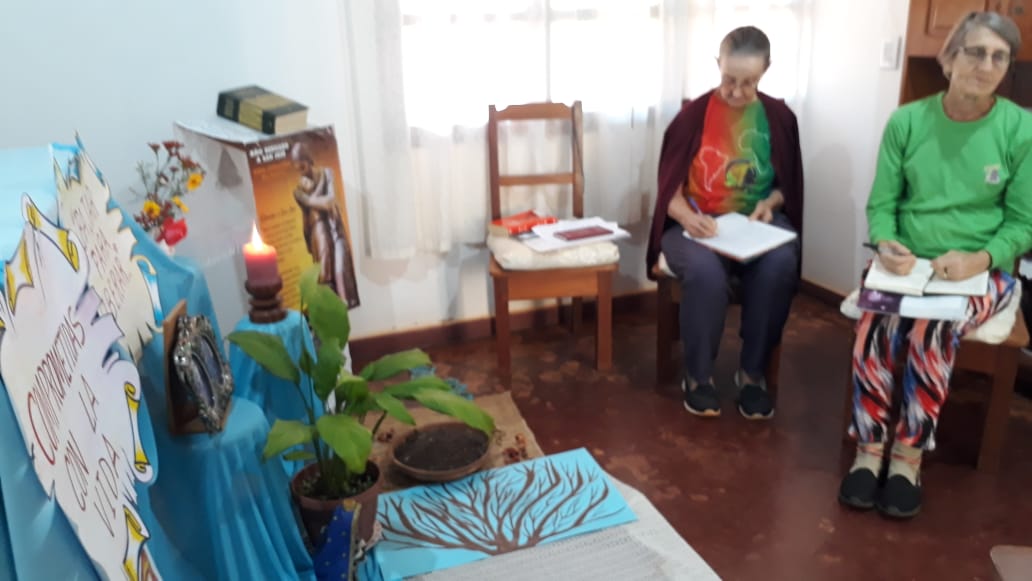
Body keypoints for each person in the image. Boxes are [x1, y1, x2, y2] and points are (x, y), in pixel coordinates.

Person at [839, 11, 1032, 519]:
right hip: (907, 266)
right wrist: (886, 243)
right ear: (949, 59)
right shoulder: (907, 121)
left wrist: (978, 259)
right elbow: (883, 204)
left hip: (983, 271)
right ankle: (868, 449)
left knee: (931, 329)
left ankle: (907, 457)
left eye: (999, 57)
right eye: (976, 52)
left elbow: (1023, 224)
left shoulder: (1021, 129)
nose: (986, 65)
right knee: (875, 322)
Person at [646, 26, 803, 420]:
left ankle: (751, 375)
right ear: (718, 65)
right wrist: (689, 217)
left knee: (781, 263)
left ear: (766, 70)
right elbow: (668, 192)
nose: (735, 91)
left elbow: (788, 186)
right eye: (729, 79)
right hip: (697, 222)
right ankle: (698, 377)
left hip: (755, 221)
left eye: (748, 82)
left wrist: (770, 202)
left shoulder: (779, 117)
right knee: (705, 273)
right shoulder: (692, 117)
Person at [290, 141, 359, 307]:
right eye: (298, 169)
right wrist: (317, 196)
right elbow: (321, 202)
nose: (302, 173)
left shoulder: (327, 173)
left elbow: (330, 201)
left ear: (309, 160)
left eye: (303, 166)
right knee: (325, 271)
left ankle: (347, 304)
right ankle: (329, 311)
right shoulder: (298, 191)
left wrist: (316, 196)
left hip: (335, 227)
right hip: (317, 229)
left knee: (342, 269)